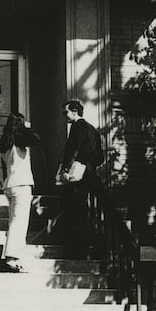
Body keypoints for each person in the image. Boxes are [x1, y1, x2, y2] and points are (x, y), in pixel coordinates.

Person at [58, 100, 104, 250]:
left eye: (66, 113)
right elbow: (100, 157)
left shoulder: (77, 127)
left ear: (75, 112)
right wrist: (88, 164)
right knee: (84, 208)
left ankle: (75, 244)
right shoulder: (93, 130)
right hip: (89, 173)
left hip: (76, 173)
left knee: (73, 207)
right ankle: (86, 242)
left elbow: (72, 149)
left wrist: (65, 169)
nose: (65, 116)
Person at [0, 112, 41, 273]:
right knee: (20, 223)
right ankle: (12, 257)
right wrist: (27, 128)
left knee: (13, 221)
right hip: (22, 184)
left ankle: (12, 256)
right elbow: (36, 139)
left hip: (9, 184)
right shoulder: (19, 138)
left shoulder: (5, 142)